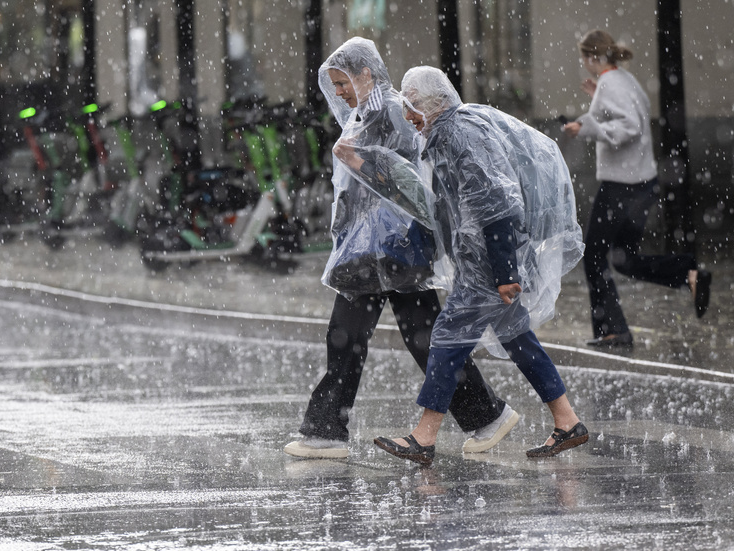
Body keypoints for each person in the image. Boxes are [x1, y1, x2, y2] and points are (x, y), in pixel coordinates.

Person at [283, 38, 519, 460]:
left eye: (342, 82)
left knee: (399, 338)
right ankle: (485, 415)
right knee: (366, 337)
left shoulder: (394, 112)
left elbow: (413, 182)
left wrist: (359, 162)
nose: (337, 92)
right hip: (368, 249)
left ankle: (327, 431)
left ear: (366, 75)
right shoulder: (364, 114)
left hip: (396, 247)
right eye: (334, 84)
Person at [373, 66, 587, 466]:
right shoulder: (442, 136)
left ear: (436, 103)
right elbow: (445, 206)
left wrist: (505, 272)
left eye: (413, 105)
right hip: (481, 264)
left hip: (489, 268)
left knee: (447, 337)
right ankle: (567, 421)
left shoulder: (458, 134)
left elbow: (497, 202)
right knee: (518, 338)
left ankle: (424, 436)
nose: (407, 114)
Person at [562, 29, 711, 349]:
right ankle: (687, 273)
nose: (583, 62)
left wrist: (585, 125)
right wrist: (597, 102)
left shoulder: (612, 84)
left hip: (621, 185)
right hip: (642, 183)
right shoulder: (622, 80)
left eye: (583, 56)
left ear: (591, 57)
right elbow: (632, 114)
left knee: (594, 256)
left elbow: (629, 127)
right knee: (624, 258)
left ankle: (614, 330)